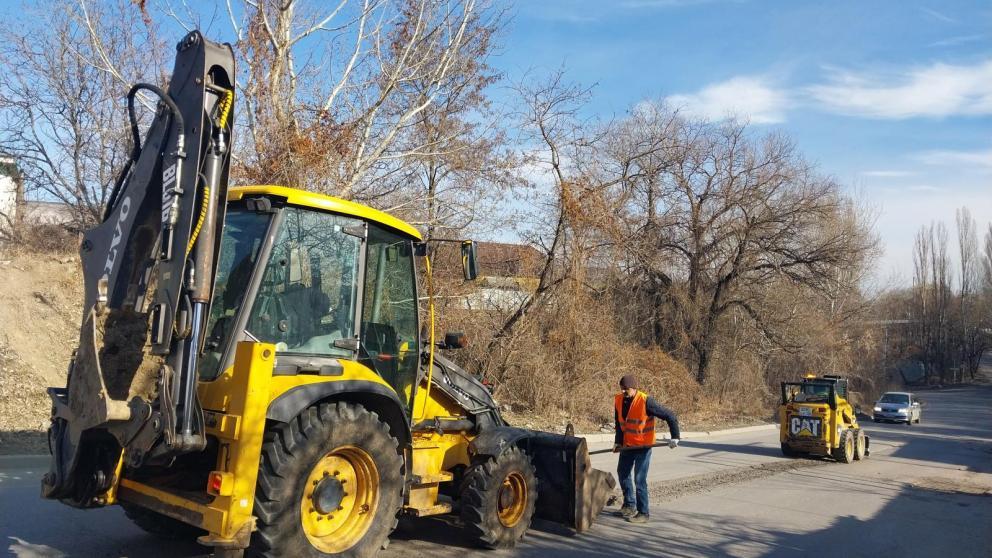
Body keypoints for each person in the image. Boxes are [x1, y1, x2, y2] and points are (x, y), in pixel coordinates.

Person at [613, 374, 680, 523]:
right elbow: (619, 423)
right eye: (622, 389)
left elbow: (669, 415)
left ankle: (643, 513)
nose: (623, 392)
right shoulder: (618, 400)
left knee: (639, 479)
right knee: (623, 473)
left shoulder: (646, 401)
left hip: (643, 447)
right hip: (627, 445)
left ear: (634, 388)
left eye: (626, 389)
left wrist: (675, 436)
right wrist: (618, 442)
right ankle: (629, 505)